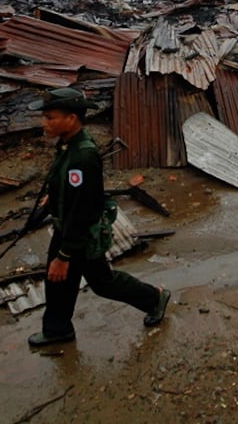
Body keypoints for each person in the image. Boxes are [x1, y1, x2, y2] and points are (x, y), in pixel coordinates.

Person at [27, 87, 171, 347]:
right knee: (59, 281)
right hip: (69, 228)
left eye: (50, 117)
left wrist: (65, 255)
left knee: (99, 282)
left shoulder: (83, 155)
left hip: (78, 234)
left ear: (71, 119)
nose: (44, 123)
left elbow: (83, 209)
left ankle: (154, 298)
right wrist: (55, 195)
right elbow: (72, 190)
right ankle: (57, 329)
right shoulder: (68, 145)